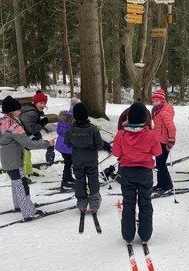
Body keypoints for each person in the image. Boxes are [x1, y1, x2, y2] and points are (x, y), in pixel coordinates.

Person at [0, 96, 55, 220]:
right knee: (22, 186)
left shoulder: (4, 122)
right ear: (11, 111)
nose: (20, 111)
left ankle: (19, 205)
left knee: (16, 184)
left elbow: (17, 140)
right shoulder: (14, 126)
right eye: (18, 109)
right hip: (14, 161)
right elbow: (28, 144)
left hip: (9, 159)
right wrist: (47, 143)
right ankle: (28, 212)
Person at [112, 102, 162, 243]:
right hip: (145, 172)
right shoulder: (150, 135)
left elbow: (116, 152)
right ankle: (145, 235)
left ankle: (128, 236)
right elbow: (157, 152)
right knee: (145, 202)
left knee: (128, 203)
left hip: (127, 172)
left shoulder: (121, 134)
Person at [64, 103, 104, 213]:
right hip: (91, 159)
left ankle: (82, 202)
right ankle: (94, 203)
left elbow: (67, 143)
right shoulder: (92, 129)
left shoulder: (71, 129)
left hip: (77, 159)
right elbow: (100, 144)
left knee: (79, 180)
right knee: (93, 179)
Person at [19, 90, 53, 180]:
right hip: (22, 136)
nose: (43, 105)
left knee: (28, 154)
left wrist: (39, 137)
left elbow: (34, 128)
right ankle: (25, 175)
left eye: (44, 103)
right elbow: (31, 128)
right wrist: (42, 123)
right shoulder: (31, 113)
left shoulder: (36, 111)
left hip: (26, 135)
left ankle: (29, 172)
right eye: (41, 103)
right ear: (35, 103)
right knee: (25, 156)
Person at [151, 88, 176, 195]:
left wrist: (171, 141)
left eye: (157, 101)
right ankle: (160, 184)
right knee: (159, 163)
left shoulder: (164, 112)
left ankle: (168, 185)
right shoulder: (157, 111)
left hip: (164, 142)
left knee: (161, 164)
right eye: (153, 102)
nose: (155, 103)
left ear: (162, 101)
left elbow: (171, 127)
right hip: (158, 140)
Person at [55, 98, 80, 190]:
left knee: (68, 162)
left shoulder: (63, 118)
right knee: (69, 163)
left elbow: (58, 131)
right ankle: (65, 181)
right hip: (68, 146)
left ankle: (68, 178)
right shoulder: (75, 120)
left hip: (61, 145)